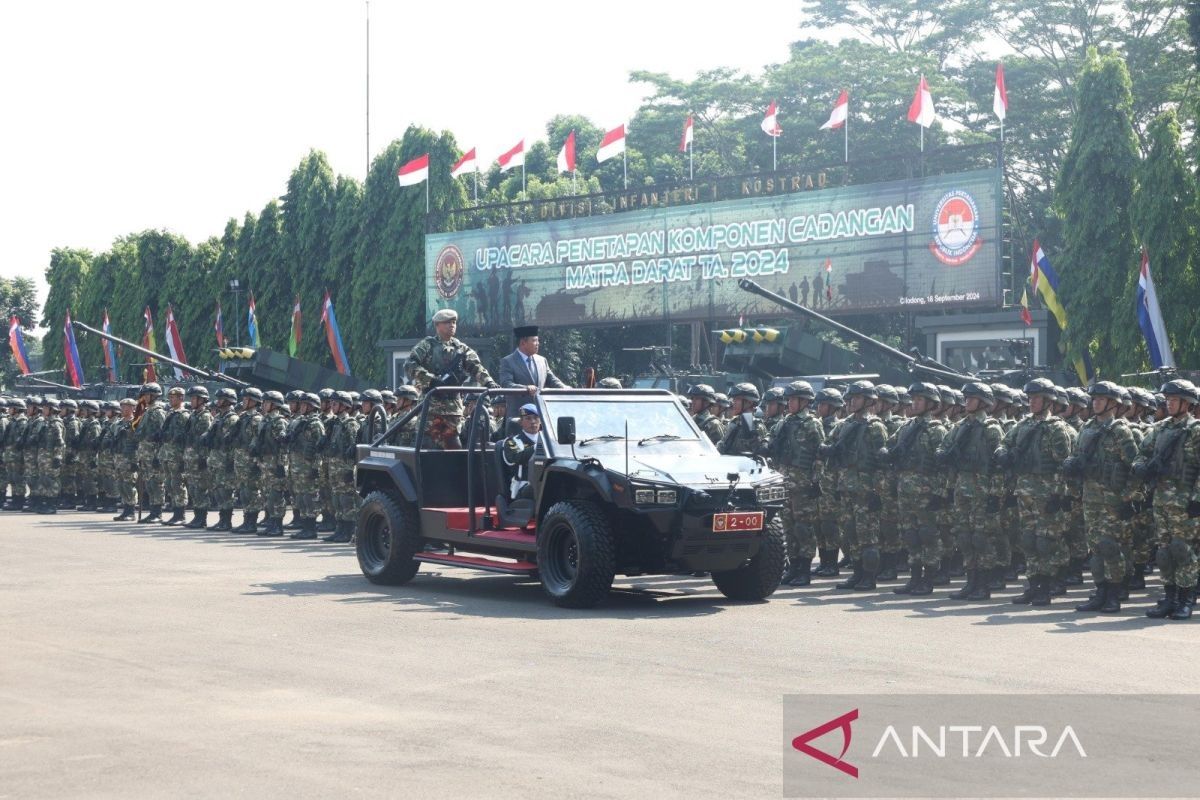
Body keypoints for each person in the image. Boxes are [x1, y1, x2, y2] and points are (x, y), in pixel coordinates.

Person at [995, 378, 1076, 605]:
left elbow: (1064, 465)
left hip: (1047, 493)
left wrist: (1059, 495)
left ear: (1049, 401)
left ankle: (1047, 585)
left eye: (1037, 398)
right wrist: (1003, 453)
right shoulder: (1023, 425)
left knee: (1045, 541)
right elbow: (1004, 443)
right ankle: (1033, 584)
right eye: (1030, 398)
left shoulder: (1057, 428)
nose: (1031, 402)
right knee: (1028, 540)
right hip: (1025, 491)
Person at [1132, 379, 1199, 620]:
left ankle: (1186, 599)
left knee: (1183, 551)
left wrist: (1197, 499)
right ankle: (1169, 598)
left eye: (1173, 400)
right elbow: (1141, 454)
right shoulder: (1159, 429)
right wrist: (1142, 468)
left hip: (1185, 502)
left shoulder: (1196, 431)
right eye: (1167, 400)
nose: (1169, 404)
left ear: (1187, 403)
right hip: (1161, 499)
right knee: (1164, 552)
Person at [886, 382, 947, 596]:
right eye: (914, 399)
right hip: (905, 488)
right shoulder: (906, 426)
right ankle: (914, 579)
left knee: (927, 536)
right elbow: (891, 448)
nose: (915, 403)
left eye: (920, 399)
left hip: (926, 491)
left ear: (931, 404)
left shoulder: (936, 430)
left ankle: (928, 580)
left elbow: (942, 465)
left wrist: (940, 493)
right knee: (910, 535)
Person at [406, 309, 498, 449]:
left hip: (453, 410)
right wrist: (431, 380)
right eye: (447, 322)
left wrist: (489, 382)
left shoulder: (460, 348)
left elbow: (476, 367)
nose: (452, 325)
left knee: (455, 452)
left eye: (454, 322)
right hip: (431, 409)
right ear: (437, 325)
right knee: (427, 450)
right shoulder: (427, 345)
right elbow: (410, 365)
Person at [772, 381, 824, 586]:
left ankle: (804, 569)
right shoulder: (784, 422)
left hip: (803, 484)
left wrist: (816, 481)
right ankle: (793, 566)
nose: (790, 403)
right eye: (789, 399)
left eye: (794, 399)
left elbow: (820, 455)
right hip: (784, 481)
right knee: (788, 527)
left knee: (804, 528)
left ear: (804, 401)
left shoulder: (813, 423)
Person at [285, 392, 325, 541]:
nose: (301, 407)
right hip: (297, 466)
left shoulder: (316, 424)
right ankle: (304, 526)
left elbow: (319, 449)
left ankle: (310, 527)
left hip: (308, 467)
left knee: (309, 497)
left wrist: (316, 468)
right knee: (300, 497)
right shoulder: (298, 422)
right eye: (300, 404)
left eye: (304, 405)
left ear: (312, 407)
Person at [133, 383, 168, 523]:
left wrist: (158, 455)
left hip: (154, 453)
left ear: (155, 396)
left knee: (156, 483)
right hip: (146, 453)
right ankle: (153, 510)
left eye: (148, 395)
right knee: (149, 483)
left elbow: (161, 435)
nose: (145, 398)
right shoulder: (148, 411)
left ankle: (157, 512)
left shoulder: (158, 412)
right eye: (145, 395)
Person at [499, 325, 567, 395]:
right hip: (520, 405)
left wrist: (564, 387)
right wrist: (525, 388)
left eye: (538, 340)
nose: (538, 344)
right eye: (534, 340)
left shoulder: (542, 360)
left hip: (541, 405)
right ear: (523, 343)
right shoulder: (508, 361)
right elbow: (506, 384)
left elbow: (552, 380)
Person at [182, 386, 214, 529]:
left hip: (199, 457)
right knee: (193, 488)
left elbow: (204, 439)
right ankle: (197, 515)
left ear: (202, 400)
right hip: (190, 457)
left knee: (200, 488)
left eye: (195, 398)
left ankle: (201, 517)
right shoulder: (194, 415)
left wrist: (202, 458)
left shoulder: (205, 416)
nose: (192, 401)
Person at [158, 387, 191, 526]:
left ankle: (180, 514)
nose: (171, 399)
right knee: (170, 484)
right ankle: (175, 511)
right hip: (167, 453)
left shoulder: (183, 415)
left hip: (177, 454)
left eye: (174, 397)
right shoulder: (171, 413)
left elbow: (183, 437)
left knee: (178, 484)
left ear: (181, 398)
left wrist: (184, 457)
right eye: (170, 397)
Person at [501, 403, 542, 501]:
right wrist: (538, 446)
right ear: (521, 422)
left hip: (545, 482)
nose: (533, 422)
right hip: (524, 487)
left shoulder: (549, 439)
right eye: (528, 418)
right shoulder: (512, 441)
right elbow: (516, 458)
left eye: (536, 417)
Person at [718, 383, 769, 457]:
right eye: (733, 399)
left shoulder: (756, 426)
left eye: (737, 399)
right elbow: (722, 447)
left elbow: (762, 456)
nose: (733, 402)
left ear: (749, 402)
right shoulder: (734, 422)